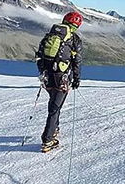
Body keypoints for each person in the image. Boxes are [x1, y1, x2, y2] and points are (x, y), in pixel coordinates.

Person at [36, 11, 83, 152]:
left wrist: (43, 72)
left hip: (47, 76)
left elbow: (39, 55)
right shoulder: (74, 39)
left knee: (53, 103)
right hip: (62, 77)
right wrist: (76, 79)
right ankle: (47, 140)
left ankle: (54, 129)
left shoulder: (50, 35)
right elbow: (77, 62)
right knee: (55, 108)